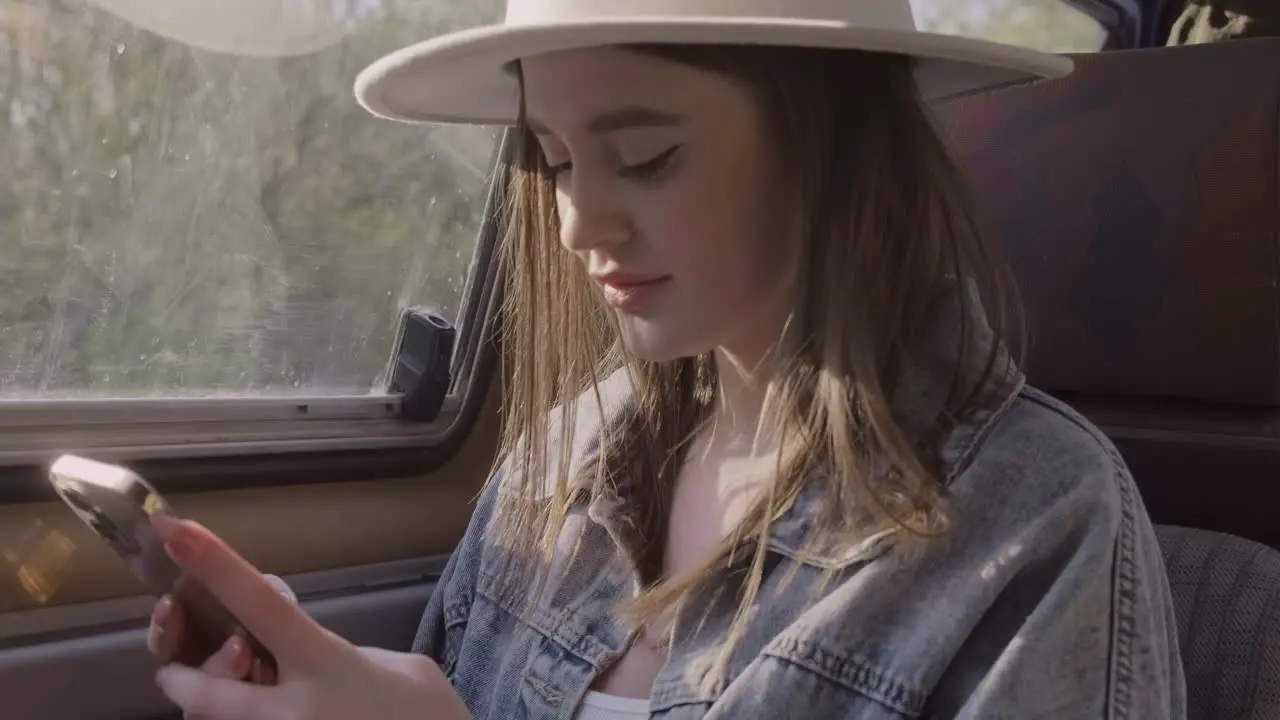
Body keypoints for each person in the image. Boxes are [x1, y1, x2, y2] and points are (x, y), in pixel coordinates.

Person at [144, 1, 1189, 717]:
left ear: (828, 147)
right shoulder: (555, 467)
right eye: (552, 160)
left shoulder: (1036, 525)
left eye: (645, 158)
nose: (577, 224)